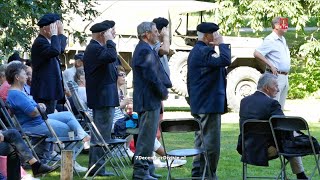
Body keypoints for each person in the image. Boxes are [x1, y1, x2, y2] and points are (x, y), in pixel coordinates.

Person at [5, 62, 90, 168]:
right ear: (17, 77)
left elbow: (34, 108)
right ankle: (70, 163)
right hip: (33, 125)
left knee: (68, 115)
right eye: (25, 74)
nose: (27, 76)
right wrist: (41, 107)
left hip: (38, 121)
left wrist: (39, 106)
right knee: (71, 130)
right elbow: (33, 113)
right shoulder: (16, 94)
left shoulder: (19, 92)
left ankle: (83, 136)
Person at [236, 73, 308, 179]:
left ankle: (300, 175)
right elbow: (285, 126)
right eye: (276, 86)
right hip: (266, 149)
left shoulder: (244, 101)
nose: (278, 90)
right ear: (266, 88)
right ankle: (301, 175)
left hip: (246, 147)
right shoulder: (272, 104)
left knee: (288, 138)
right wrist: (296, 134)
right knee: (291, 139)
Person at [187, 22, 231, 179]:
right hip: (208, 105)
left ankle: (198, 174)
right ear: (207, 36)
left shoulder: (198, 51)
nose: (217, 36)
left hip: (202, 104)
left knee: (200, 143)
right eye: (215, 34)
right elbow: (225, 61)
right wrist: (222, 44)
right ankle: (208, 175)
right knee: (210, 144)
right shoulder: (204, 52)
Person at [131, 21, 172, 180]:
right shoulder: (143, 51)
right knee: (146, 140)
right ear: (146, 34)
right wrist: (163, 92)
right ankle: (141, 172)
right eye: (155, 31)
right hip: (148, 101)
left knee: (148, 138)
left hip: (149, 100)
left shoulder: (145, 49)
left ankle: (147, 169)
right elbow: (152, 78)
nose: (158, 34)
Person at [83, 21, 118, 177]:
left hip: (105, 98)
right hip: (102, 98)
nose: (114, 34)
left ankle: (97, 167)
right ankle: (97, 168)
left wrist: (109, 40)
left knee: (102, 134)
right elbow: (111, 56)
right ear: (102, 34)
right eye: (111, 32)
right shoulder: (94, 49)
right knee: (101, 135)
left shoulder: (98, 49)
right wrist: (110, 41)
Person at [31, 13, 67, 114]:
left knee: (51, 115)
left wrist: (60, 34)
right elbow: (56, 51)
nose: (55, 29)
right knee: (48, 118)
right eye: (53, 27)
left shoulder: (48, 42)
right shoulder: (40, 42)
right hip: (45, 91)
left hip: (51, 90)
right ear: (45, 29)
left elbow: (60, 49)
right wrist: (55, 35)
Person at [253, 17, 290, 110]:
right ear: (277, 26)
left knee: (280, 107)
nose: (286, 26)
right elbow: (257, 53)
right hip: (275, 76)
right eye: (283, 23)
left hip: (284, 76)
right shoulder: (270, 39)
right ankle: (271, 123)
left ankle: (278, 123)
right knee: (273, 105)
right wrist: (271, 65)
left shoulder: (282, 39)